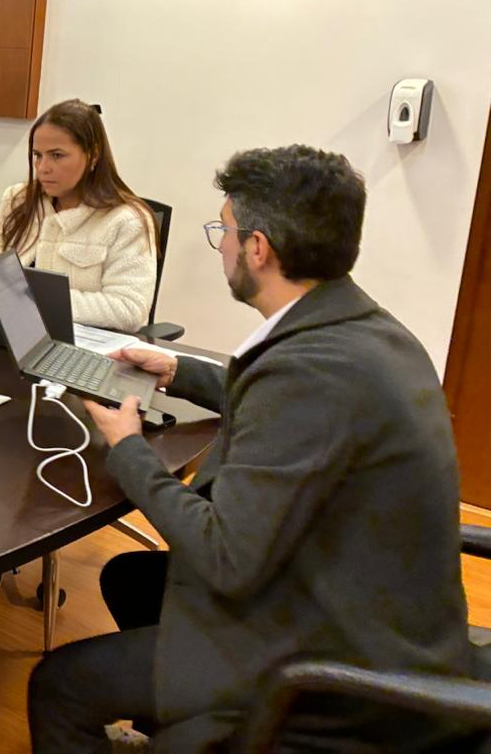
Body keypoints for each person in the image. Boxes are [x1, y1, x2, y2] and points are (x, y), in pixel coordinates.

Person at [28, 145, 473, 752]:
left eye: (225, 232)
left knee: (59, 686)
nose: (223, 248)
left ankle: (229, 723)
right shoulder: (359, 330)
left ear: (257, 248)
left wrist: (127, 447)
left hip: (338, 658)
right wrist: (175, 370)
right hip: (366, 602)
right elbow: (279, 400)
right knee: (132, 579)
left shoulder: (309, 371)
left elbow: (224, 557)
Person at [0, 99, 156, 333]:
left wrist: (31, 297)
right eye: (38, 155)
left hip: (84, 347)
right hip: (13, 334)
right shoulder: (19, 200)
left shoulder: (126, 220)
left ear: (93, 155)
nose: (43, 168)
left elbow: (128, 309)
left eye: (57, 155)